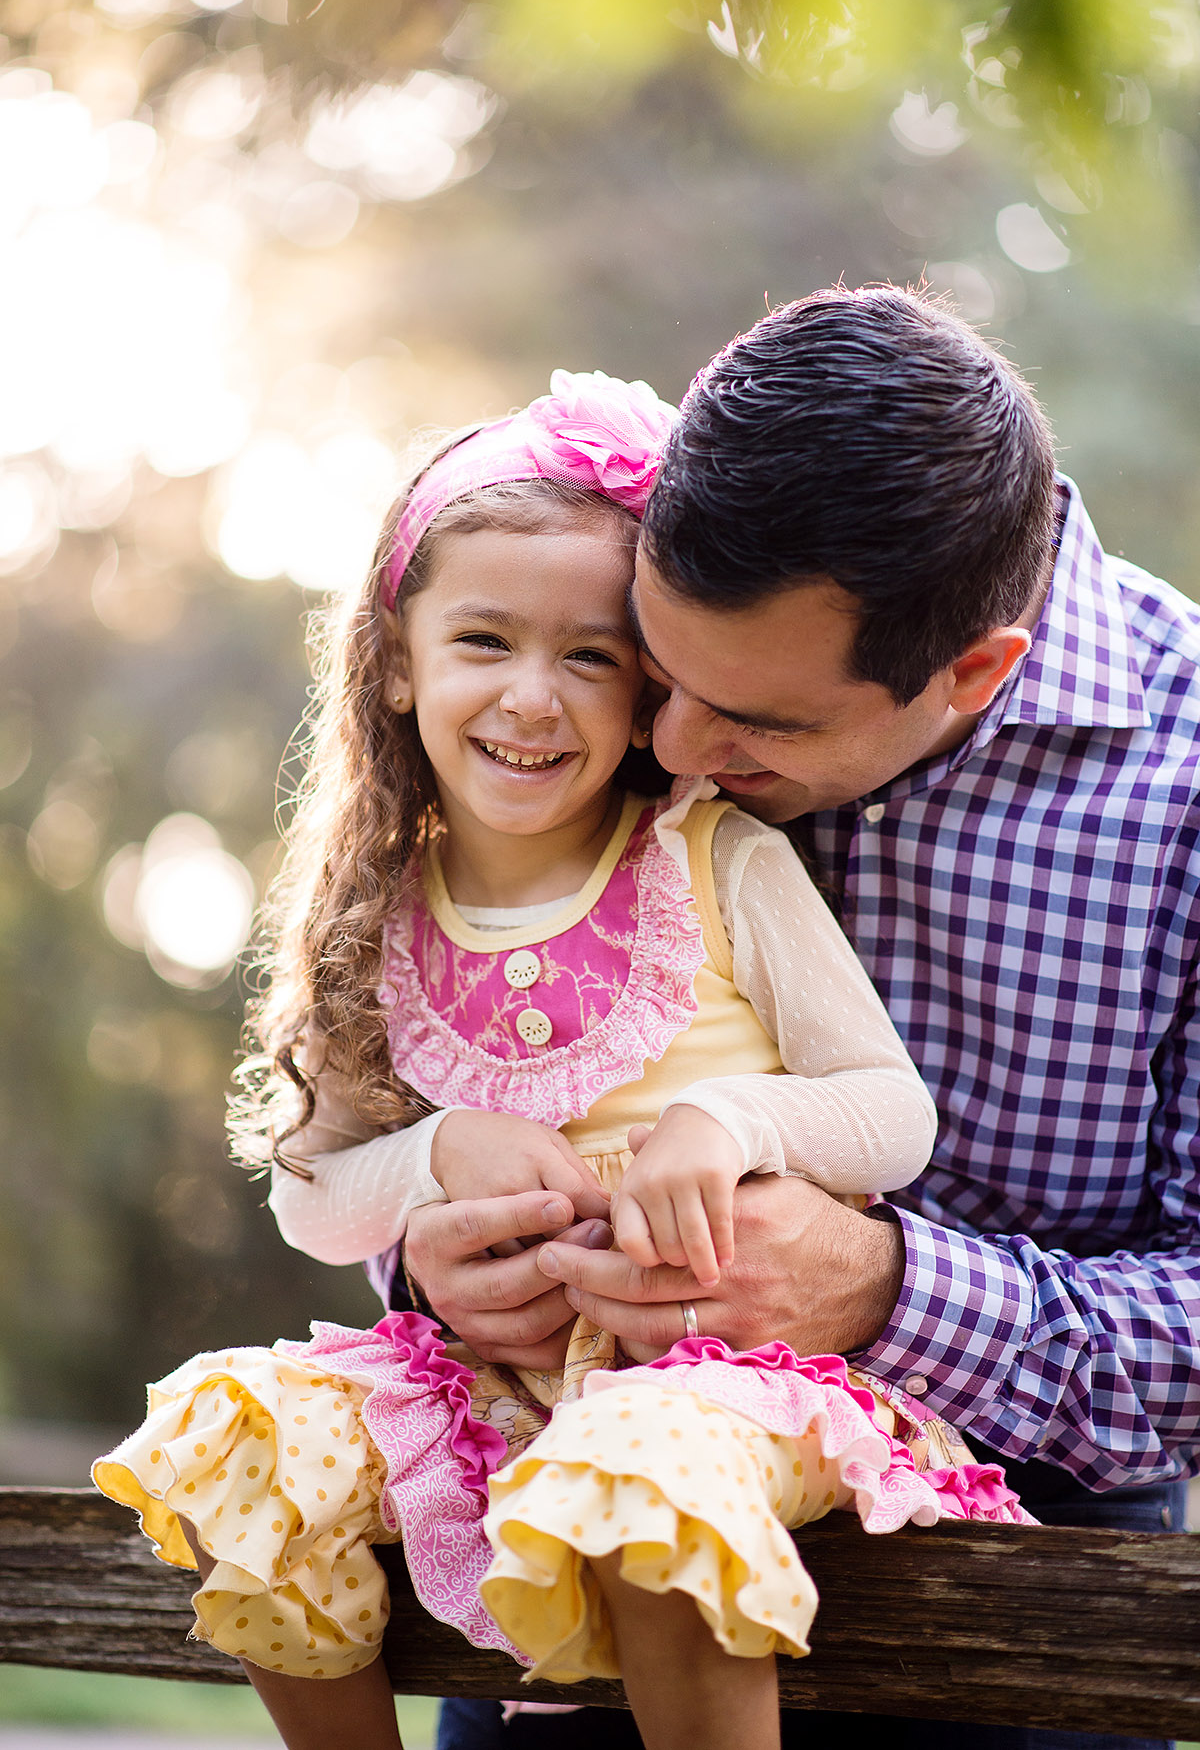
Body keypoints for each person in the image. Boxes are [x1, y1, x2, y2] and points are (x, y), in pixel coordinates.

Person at [93, 368, 1026, 1750]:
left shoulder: (713, 860)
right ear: (397, 659)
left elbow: (891, 1116)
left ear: (650, 680)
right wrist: (435, 1157)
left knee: (642, 1482)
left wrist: (725, 1123)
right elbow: (311, 1193)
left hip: (715, 1384)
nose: (535, 698)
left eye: (591, 656)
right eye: (484, 640)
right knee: (246, 1443)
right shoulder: (378, 901)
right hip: (487, 1382)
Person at [422, 289, 1200, 1750]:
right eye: (660, 673)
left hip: (1019, 1621)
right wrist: (448, 1258)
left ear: (975, 672)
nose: (668, 751)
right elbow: (434, 1011)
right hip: (590, 1547)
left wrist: (887, 1294)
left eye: (760, 729)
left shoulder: (1186, 784)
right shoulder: (598, 667)